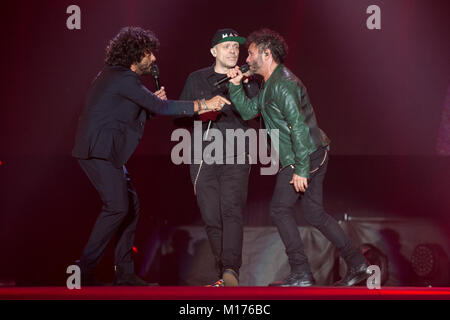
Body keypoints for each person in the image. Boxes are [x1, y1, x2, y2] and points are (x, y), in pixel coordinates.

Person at [72, 26, 229, 286]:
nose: (154, 58)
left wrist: (151, 105)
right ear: (136, 55)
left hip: (107, 151)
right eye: (149, 53)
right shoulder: (121, 78)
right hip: (97, 151)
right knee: (117, 206)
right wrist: (204, 104)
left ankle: (123, 272)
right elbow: (162, 107)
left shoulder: (118, 78)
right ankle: (84, 266)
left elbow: (128, 113)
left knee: (131, 206)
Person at [227, 28, 369, 287]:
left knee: (280, 209)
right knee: (314, 213)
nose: (246, 59)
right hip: (311, 151)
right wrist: (236, 87)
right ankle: (358, 264)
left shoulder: (283, 84)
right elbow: (249, 112)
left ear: (267, 54)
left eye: (251, 53)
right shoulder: (269, 84)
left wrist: (301, 169)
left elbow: (299, 127)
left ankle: (302, 272)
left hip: (305, 154)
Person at [179, 28, 260, 286]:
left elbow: (254, 115)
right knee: (212, 216)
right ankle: (222, 274)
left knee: (231, 210)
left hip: (237, 151)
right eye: (227, 47)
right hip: (204, 154)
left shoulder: (249, 79)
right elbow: (178, 116)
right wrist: (204, 109)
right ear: (214, 51)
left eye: (236, 47)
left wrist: (240, 87)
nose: (233, 51)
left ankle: (231, 271)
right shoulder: (197, 78)